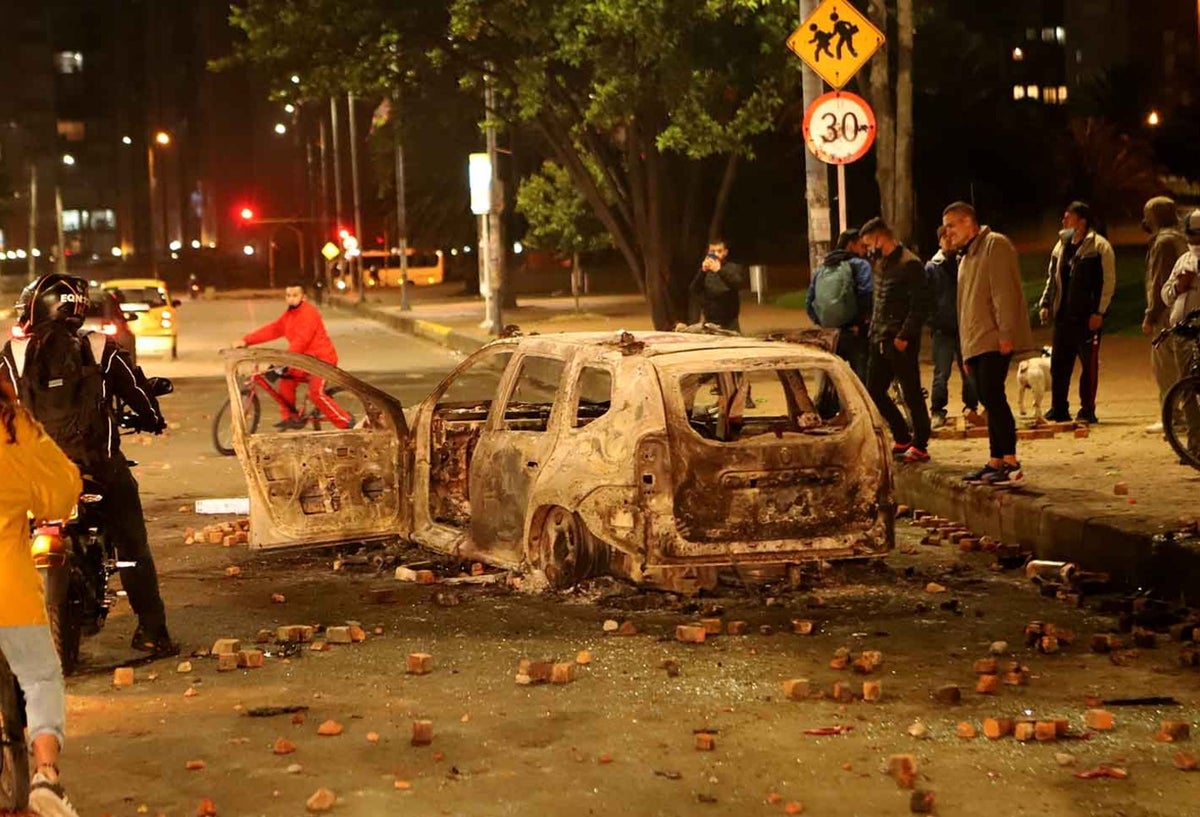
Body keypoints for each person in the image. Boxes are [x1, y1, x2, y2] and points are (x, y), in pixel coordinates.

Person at [0, 274, 176, 657]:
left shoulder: (11, 354)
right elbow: (138, 395)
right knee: (132, 547)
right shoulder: (101, 349)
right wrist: (153, 419)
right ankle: (152, 632)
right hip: (99, 468)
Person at [0, 381, 84, 817]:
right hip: (7, 591)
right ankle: (45, 776)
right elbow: (60, 491)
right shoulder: (14, 426)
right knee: (40, 677)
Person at [942, 202, 1036, 486]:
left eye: (951, 225)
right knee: (987, 396)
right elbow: (964, 305)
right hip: (975, 340)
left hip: (993, 337)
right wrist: (966, 350)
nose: (947, 232)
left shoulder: (994, 245)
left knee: (993, 396)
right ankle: (996, 460)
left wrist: (1006, 333)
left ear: (969, 221)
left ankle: (1010, 461)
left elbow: (1003, 293)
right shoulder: (966, 256)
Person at [859, 217, 932, 463]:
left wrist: (904, 336)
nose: (869, 248)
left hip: (900, 341)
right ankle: (902, 436)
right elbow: (879, 300)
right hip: (879, 338)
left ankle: (921, 443)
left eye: (870, 242)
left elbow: (920, 305)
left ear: (881, 238)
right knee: (874, 391)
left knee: (911, 393)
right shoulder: (880, 263)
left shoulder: (909, 264)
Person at [233, 282, 353, 430]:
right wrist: (246, 340)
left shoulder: (309, 313)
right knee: (286, 381)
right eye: (288, 295)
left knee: (316, 393)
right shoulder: (289, 315)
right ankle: (290, 418)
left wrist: (286, 360)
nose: (291, 299)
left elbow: (302, 340)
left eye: (295, 295)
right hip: (302, 360)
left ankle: (347, 422)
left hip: (322, 360)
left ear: (304, 297)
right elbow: (273, 329)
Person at [1037, 201, 1116, 424]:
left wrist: (1099, 312)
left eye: (1068, 217)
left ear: (1082, 221)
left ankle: (1087, 410)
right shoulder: (1061, 245)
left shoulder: (1099, 247)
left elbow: (1108, 282)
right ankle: (1059, 408)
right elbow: (1052, 277)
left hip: (1087, 318)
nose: (1063, 221)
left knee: (1088, 365)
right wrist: (1046, 303)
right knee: (1059, 364)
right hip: (1064, 317)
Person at [1142, 196, 1189, 433]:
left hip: (1167, 313)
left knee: (1165, 367)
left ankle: (1172, 416)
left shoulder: (1163, 242)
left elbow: (1159, 280)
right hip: (1184, 311)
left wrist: (1151, 315)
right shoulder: (1181, 238)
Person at [926, 226, 980, 429]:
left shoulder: (963, 261)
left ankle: (971, 407)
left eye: (951, 237)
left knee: (969, 371)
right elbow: (927, 298)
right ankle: (937, 410)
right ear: (939, 241)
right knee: (941, 373)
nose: (949, 241)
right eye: (945, 238)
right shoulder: (932, 267)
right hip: (943, 330)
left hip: (965, 327)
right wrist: (934, 321)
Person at [807, 229, 873, 379]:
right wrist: (861, 324)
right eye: (862, 246)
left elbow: (809, 302)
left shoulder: (822, 268)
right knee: (861, 384)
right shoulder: (861, 265)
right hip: (856, 334)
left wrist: (823, 322)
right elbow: (867, 295)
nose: (866, 250)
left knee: (834, 383)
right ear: (851, 245)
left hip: (831, 335)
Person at [1160, 210, 1200, 456]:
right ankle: (1196, 447)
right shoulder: (1184, 260)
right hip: (1184, 333)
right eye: (1191, 235)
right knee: (1187, 390)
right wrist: (1178, 286)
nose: (1194, 241)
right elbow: (1165, 294)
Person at [688, 239, 746, 333]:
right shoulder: (706, 271)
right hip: (709, 322)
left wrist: (719, 270)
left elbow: (737, 283)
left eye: (719, 251)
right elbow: (694, 289)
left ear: (725, 252)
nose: (715, 254)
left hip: (729, 323)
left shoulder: (733, 267)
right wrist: (702, 272)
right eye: (712, 251)